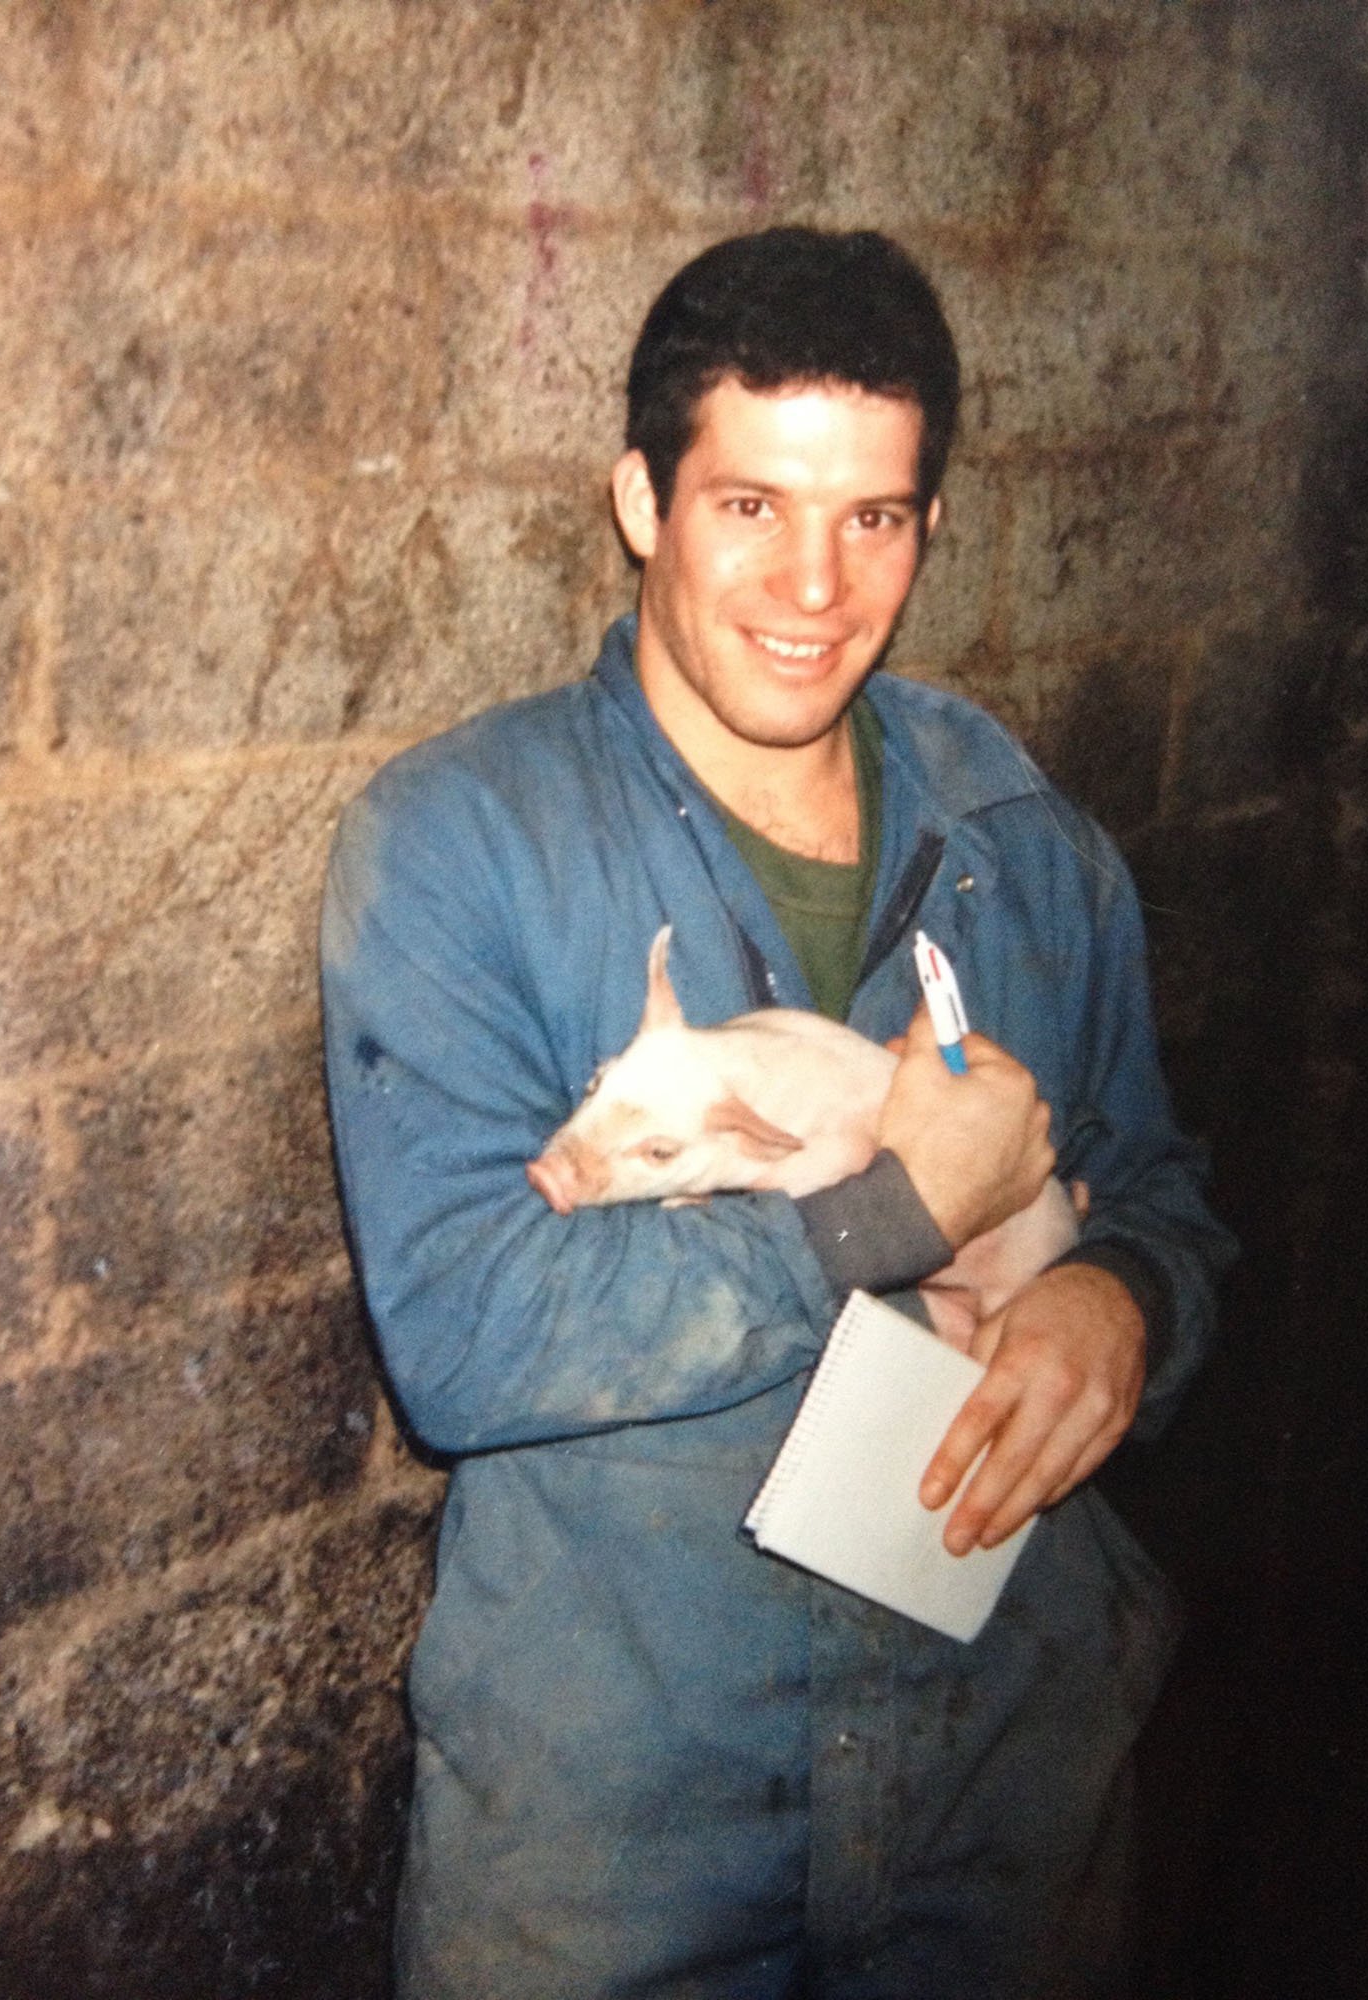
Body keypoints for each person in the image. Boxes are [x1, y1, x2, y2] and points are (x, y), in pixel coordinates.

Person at [321, 227, 1236, 1999]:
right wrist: (889, 1215)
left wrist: (1123, 1302)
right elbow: (467, 1336)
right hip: (619, 1842)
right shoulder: (460, 844)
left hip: (1006, 1795)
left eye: (872, 519)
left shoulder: (1026, 843)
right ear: (643, 504)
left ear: (929, 529)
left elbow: (1167, 1198)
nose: (816, 584)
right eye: (751, 506)